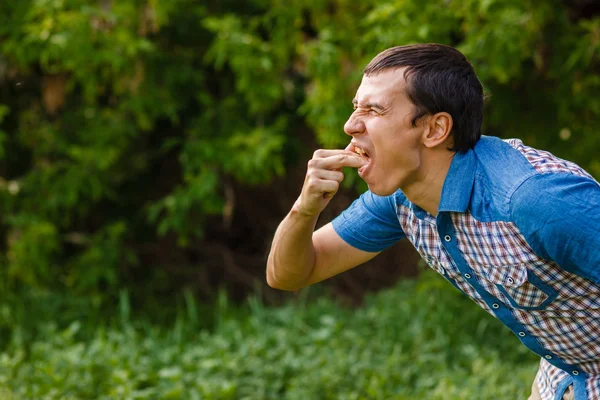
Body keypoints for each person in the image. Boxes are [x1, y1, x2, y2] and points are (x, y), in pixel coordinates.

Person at [266, 43, 600, 400]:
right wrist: (305, 209)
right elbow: (289, 274)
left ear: (434, 129)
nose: (350, 125)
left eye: (373, 110)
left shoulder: (535, 199)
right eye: (355, 108)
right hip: (565, 372)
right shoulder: (400, 200)